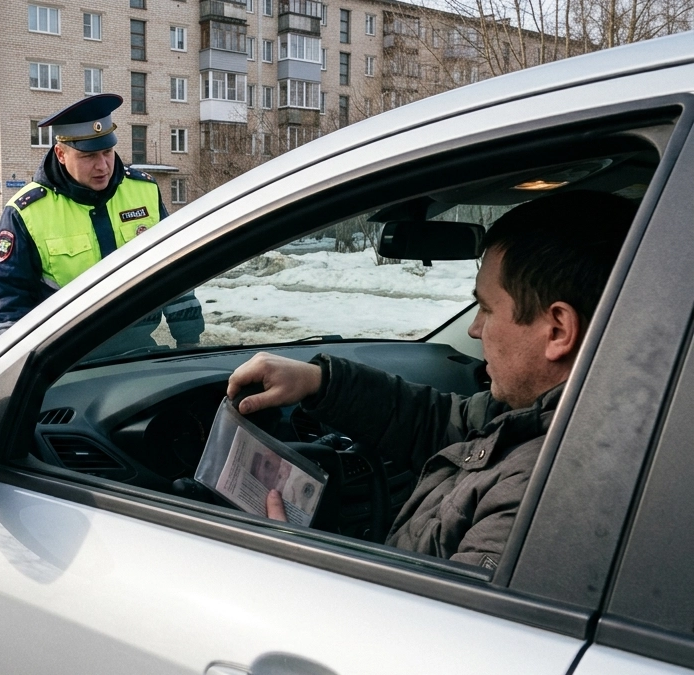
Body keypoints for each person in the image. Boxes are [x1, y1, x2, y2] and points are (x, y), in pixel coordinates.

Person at [226, 191, 637, 569]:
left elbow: (424, 635)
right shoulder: (544, 413)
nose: (474, 330)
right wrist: (321, 382)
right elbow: (441, 422)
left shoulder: (544, 498)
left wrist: (296, 559)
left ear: (558, 330)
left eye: (487, 310)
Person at [0, 93, 203, 347]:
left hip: (139, 349)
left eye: (107, 152)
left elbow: (173, 270)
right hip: (67, 361)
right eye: (88, 156)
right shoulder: (26, 213)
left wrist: (189, 342)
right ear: (60, 153)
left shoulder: (143, 190)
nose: (102, 165)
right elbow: (11, 304)